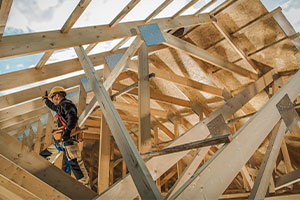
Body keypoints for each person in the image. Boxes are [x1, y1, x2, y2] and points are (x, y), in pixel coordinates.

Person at [40, 86, 90, 187]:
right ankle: (40, 172)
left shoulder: (67, 104)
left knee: (75, 164)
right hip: (62, 141)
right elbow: (53, 107)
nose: (53, 101)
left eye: (52, 98)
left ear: (57, 96)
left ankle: (85, 187)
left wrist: (67, 132)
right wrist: (46, 100)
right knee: (45, 156)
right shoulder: (61, 106)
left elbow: (72, 117)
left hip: (69, 140)